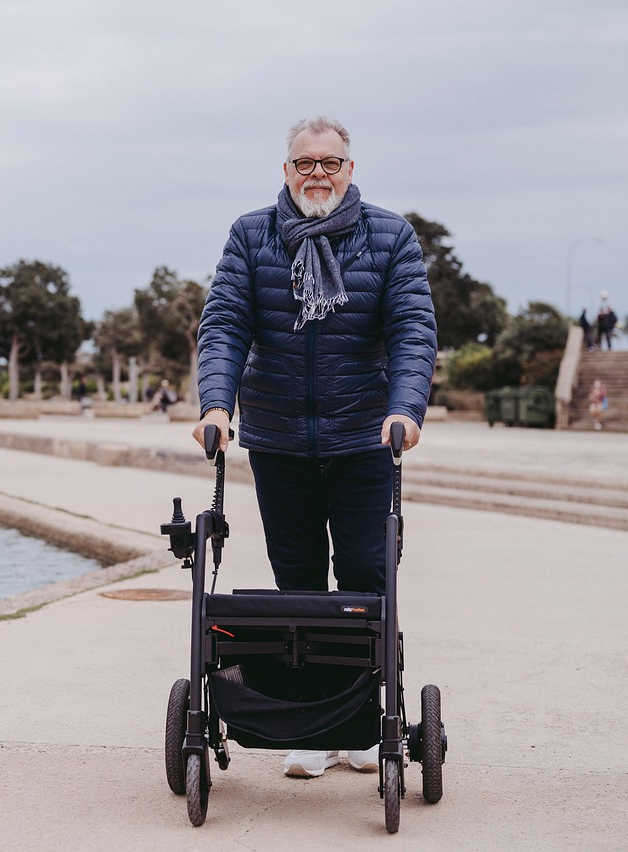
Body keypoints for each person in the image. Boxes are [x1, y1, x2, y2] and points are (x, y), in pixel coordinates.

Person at [193, 116, 437, 780]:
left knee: (364, 580)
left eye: (331, 163)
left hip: (364, 438)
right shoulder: (251, 235)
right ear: (286, 170)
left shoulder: (390, 236)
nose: (318, 174)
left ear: (350, 170)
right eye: (305, 163)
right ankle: (308, 726)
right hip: (277, 441)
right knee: (296, 585)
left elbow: (414, 326)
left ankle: (361, 723)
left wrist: (404, 410)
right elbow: (224, 323)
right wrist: (216, 403)